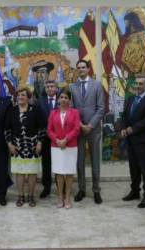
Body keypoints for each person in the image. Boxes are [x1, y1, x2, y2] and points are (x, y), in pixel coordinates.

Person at [69, 59, 105, 204]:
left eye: (84, 67)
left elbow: (101, 108)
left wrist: (90, 125)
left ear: (88, 69)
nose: (81, 69)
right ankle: (82, 189)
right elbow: (71, 109)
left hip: (94, 129)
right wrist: (80, 125)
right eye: (79, 68)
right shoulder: (72, 87)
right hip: (78, 130)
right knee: (79, 161)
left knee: (95, 161)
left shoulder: (97, 85)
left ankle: (96, 190)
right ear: (77, 70)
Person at [120, 73, 145, 208]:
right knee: (133, 169)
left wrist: (132, 129)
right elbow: (124, 115)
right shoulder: (131, 99)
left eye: (141, 84)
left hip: (143, 141)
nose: (138, 86)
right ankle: (135, 191)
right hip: (131, 141)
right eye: (136, 83)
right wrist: (124, 128)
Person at [5, 85, 44, 207]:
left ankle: (31, 196)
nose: (20, 97)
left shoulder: (35, 109)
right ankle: (20, 196)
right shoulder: (12, 110)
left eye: (23, 95)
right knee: (19, 173)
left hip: (33, 147)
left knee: (32, 173)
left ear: (28, 97)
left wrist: (39, 142)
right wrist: (9, 144)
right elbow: (7, 129)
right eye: (19, 95)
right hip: (17, 147)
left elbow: (42, 127)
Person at [47, 88, 80, 209]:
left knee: (69, 173)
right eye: (61, 97)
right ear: (58, 99)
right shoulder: (53, 113)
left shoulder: (75, 112)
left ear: (69, 100)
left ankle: (68, 198)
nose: (63, 99)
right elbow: (49, 130)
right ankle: (60, 197)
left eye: (66, 97)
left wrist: (65, 140)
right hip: (56, 147)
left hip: (70, 146)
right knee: (59, 173)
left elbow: (76, 129)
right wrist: (57, 140)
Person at [36, 80, 58, 198]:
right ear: (45, 89)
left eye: (52, 86)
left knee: (59, 162)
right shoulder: (39, 102)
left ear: (56, 88)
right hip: (45, 137)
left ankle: (62, 187)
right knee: (46, 163)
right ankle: (47, 187)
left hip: (59, 138)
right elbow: (38, 121)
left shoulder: (62, 100)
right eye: (47, 86)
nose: (50, 88)